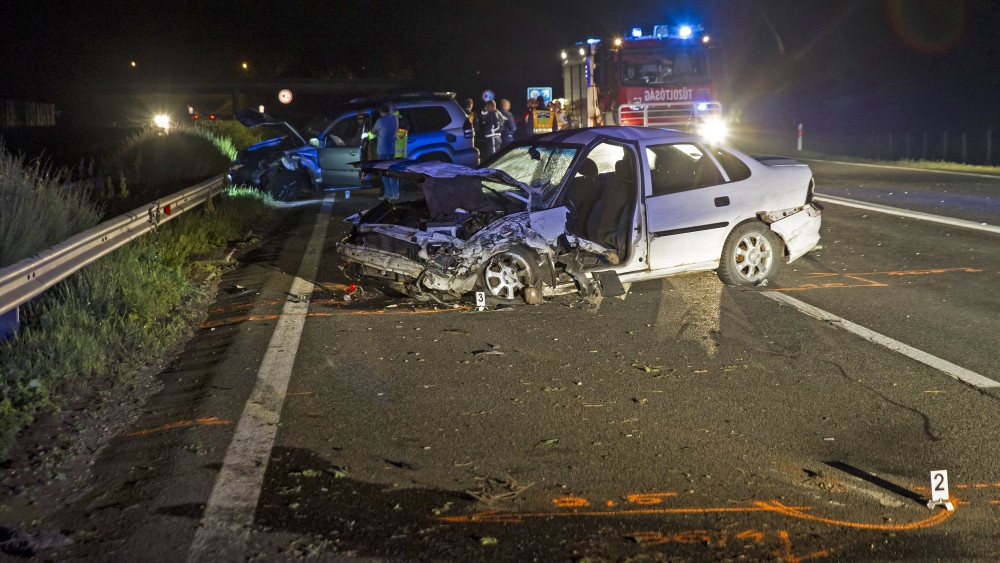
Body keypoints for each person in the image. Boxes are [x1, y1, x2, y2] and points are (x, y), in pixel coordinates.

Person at [372, 103, 400, 200]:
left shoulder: (380, 121)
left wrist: (377, 132)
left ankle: (388, 194)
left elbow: (373, 131)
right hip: (392, 150)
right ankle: (396, 193)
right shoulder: (395, 119)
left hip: (382, 150)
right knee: (392, 171)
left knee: (384, 173)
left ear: (381, 112)